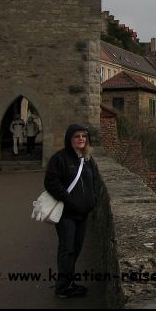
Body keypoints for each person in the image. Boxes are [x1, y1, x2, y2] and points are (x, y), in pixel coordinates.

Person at [44, 124, 101, 298]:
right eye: (77, 136)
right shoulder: (59, 159)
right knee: (67, 249)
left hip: (82, 214)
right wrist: (70, 200)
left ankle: (68, 282)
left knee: (75, 248)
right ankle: (62, 287)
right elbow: (51, 183)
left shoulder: (88, 159)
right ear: (70, 139)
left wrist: (93, 200)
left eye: (84, 136)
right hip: (66, 214)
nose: (81, 139)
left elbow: (95, 181)